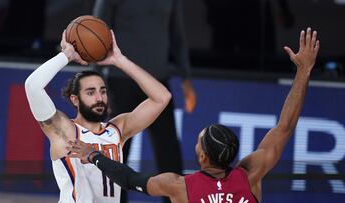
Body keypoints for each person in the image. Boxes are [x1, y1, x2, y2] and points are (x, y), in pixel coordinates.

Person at [67, 28, 319, 203]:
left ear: (202, 155)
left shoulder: (179, 187)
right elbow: (285, 126)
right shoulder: (251, 176)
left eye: (199, 141)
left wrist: (94, 156)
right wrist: (304, 71)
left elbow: (130, 179)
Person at [24, 30, 172, 202]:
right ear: (75, 99)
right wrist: (66, 55)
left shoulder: (117, 130)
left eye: (103, 91)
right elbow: (32, 86)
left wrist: (120, 61)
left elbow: (162, 97)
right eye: (90, 92)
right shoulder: (64, 130)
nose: (99, 98)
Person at [92, 1, 196, 202]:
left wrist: (186, 79)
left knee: (170, 156)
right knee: (116, 153)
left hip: (157, 83)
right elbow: (95, 35)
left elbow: (177, 35)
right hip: (120, 82)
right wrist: (97, 83)